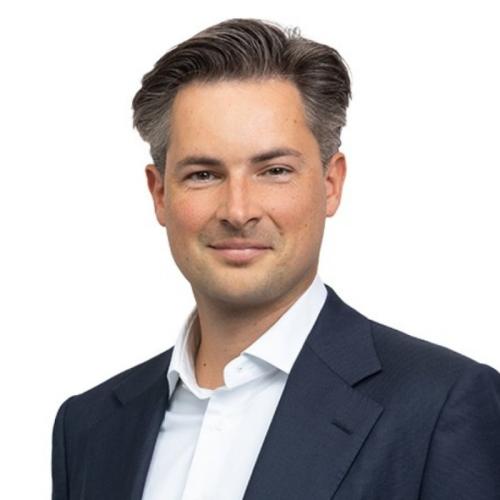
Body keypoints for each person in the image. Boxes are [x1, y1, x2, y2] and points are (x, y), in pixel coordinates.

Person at [51, 18, 500, 500]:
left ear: (331, 184)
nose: (238, 210)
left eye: (274, 171)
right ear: (159, 194)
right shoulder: (89, 428)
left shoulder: (440, 405)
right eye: (203, 174)